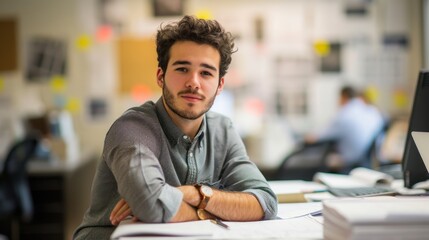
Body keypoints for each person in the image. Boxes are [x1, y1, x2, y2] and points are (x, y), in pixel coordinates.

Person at [73, 15, 278, 239]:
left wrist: (192, 194)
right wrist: (217, 209)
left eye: (206, 73)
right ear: (161, 76)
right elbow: (151, 205)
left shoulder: (223, 130)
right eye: (182, 69)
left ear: (220, 85)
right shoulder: (132, 129)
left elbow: (264, 202)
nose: (194, 82)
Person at [305, 85, 386, 173]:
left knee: (323, 162)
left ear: (343, 97)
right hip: (370, 163)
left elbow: (315, 137)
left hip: (351, 164)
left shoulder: (345, 114)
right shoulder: (372, 111)